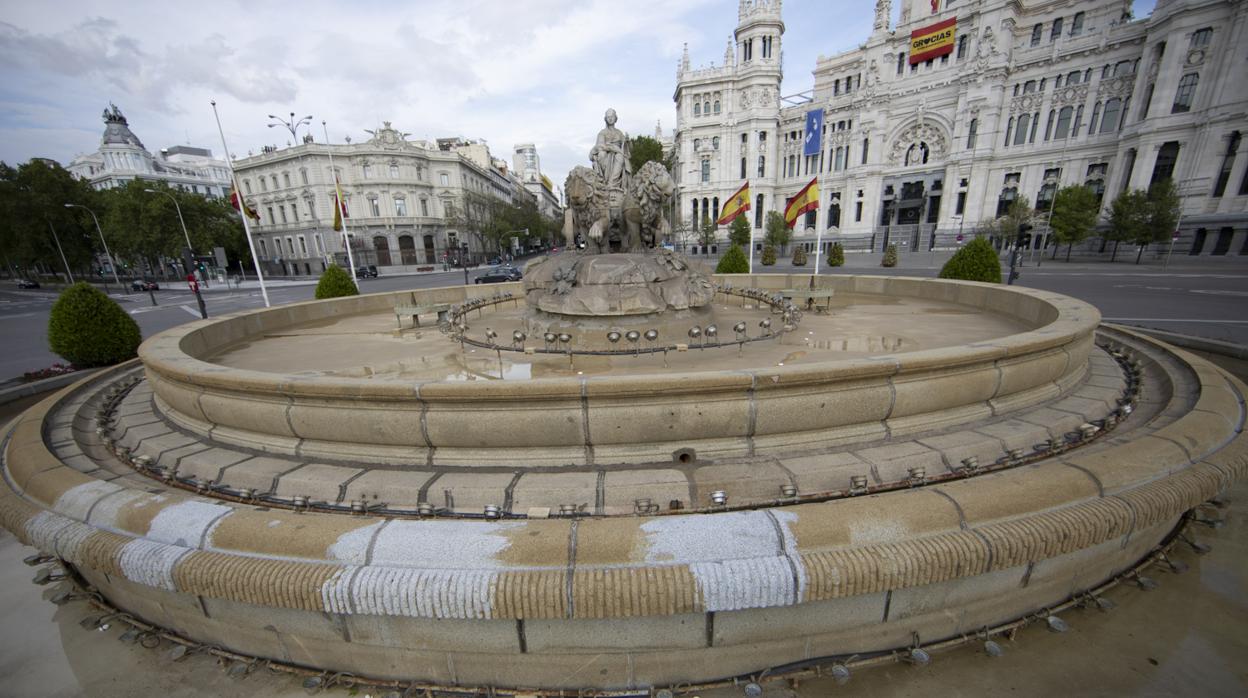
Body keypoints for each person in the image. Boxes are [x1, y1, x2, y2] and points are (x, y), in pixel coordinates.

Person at [590, 108, 630, 191]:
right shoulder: (602, 133)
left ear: (615, 118)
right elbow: (599, 146)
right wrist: (612, 148)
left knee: (620, 157)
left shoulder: (619, 133)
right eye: (608, 117)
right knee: (601, 154)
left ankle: (611, 183)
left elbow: (626, 148)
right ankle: (604, 181)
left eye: (612, 116)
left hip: (618, 154)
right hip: (606, 154)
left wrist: (627, 142)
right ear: (605, 119)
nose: (610, 118)